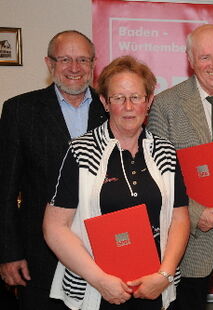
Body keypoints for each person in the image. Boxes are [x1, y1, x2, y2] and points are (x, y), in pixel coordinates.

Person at [43, 55, 190, 310]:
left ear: (149, 101)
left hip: (154, 287)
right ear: (105, 103)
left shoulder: (165, 151)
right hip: (95, 289)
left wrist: (163, 275)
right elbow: (55, 228)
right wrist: (100, 280)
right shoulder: (81, 151)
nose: (129, 106)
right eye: (119, 98)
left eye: (136, 97)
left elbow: (179, 219)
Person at [147, 24, 213, 310]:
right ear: (190, 60)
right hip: (190, 238)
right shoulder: (165, 104)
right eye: (205, 57)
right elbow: (158, 176)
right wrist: (194, 213)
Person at [0, 30, 107, 309]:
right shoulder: (19, 111)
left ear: (94, 64)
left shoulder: (111, 108)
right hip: (39, 254)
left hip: (102, 250)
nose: (75, 68)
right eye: (65, 60)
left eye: (83, 60)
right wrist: (8, 253)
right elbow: (5, 189)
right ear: (49, 64)